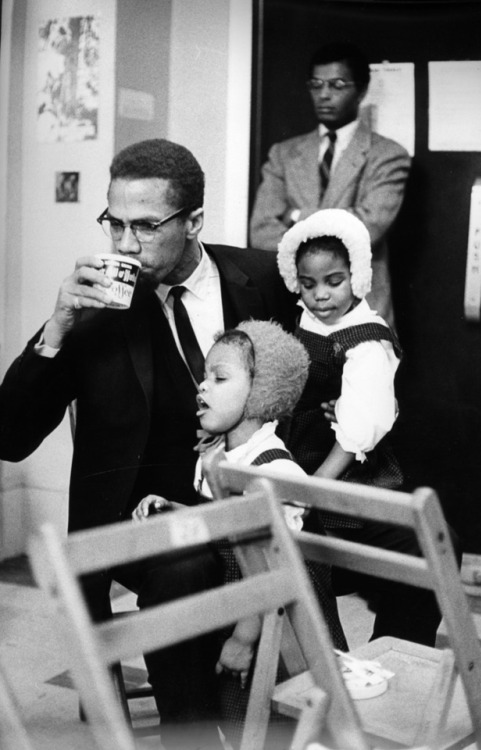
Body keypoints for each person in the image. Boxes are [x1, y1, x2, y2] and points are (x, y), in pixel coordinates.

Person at [0, 138, 298, 748]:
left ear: (192, 222)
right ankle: (195, 738)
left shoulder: (263, 279)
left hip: (247, 500)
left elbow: (300, 391)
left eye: (145, 226)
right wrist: (57, 326)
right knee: (186, 565)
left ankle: (298, 720)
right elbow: (9, 437)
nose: (124, 245)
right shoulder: (93, 310)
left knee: (378, 543)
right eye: (114, 224)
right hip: (139, 518)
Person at [134, 319, 347, 747]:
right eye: (204, 377)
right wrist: (177, 509)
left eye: (220, 378)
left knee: (274, 727)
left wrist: (244, 639)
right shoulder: (220, 457)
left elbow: (273, 570)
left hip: (282, 633)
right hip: (243, 615)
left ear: (262, 391)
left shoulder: (273, 470)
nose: (202, 387)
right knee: (238, 719)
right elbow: (225, 523)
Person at [277, 207, 453, 648]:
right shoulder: (300, 321)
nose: (320, 295)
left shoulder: (366, 339)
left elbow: (356, 430)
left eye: (333, 282)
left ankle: (394, 649)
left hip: (341, 476)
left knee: (415, 549)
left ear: (355, 275)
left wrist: (310, 492)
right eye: (308, 283)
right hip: (295, 462)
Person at [250, 41, 411, 328]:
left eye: (337, 85)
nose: (324, 94)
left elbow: (367, 226)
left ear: (361, 91)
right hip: (297, 311)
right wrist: (338, 220)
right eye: (316, 84)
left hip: (364, 312)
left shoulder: (388, 154)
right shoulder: (283, 153)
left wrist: (296, 216)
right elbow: (261, 231)